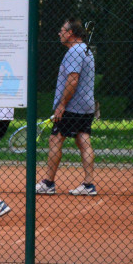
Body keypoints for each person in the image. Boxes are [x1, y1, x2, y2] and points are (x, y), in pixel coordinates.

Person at [35, 18, 97, 196]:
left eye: (62, 30)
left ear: (70, 33)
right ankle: (88, 184)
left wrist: (62, 105)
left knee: (55, 139)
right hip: (86, 105)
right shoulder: (86, 51)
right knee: (83, 140)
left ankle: (48, 183)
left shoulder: (74, 52)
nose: (59, 33)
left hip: (72, 106)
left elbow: (73, 79)